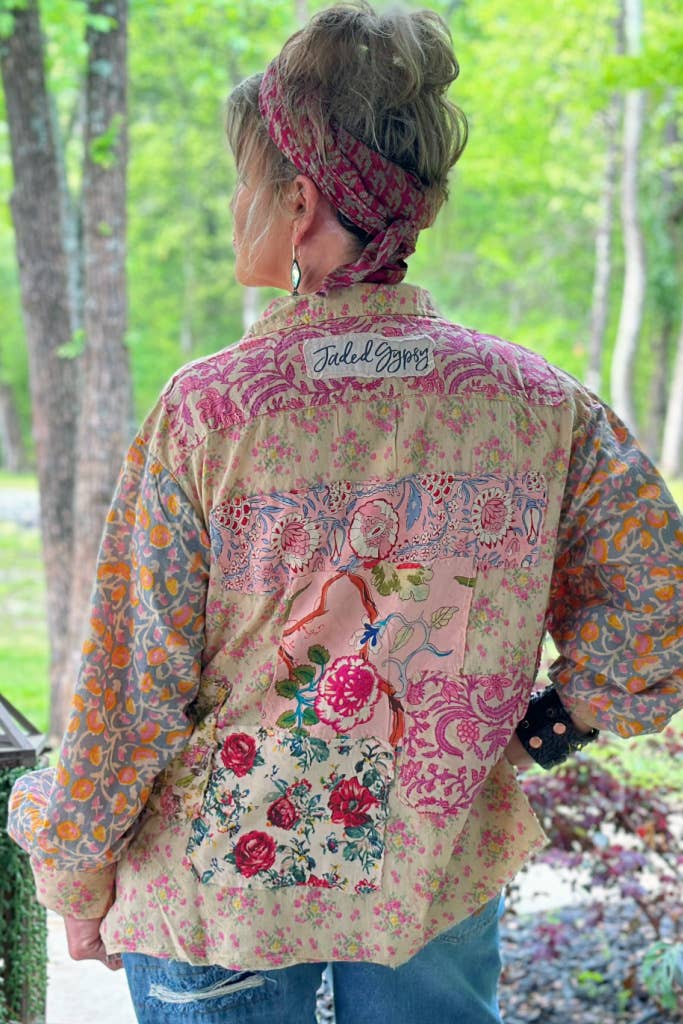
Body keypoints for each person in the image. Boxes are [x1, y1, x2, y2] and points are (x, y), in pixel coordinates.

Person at [8, 3, 683, 1022]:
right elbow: (655, 606)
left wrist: (71, 871)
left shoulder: (211, 412)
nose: (230, 203)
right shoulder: (538, 407)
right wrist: (533, 733)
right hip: (429, 877)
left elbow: (128, 685)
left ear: (298, 199)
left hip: (215, 900)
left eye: (241, 179)